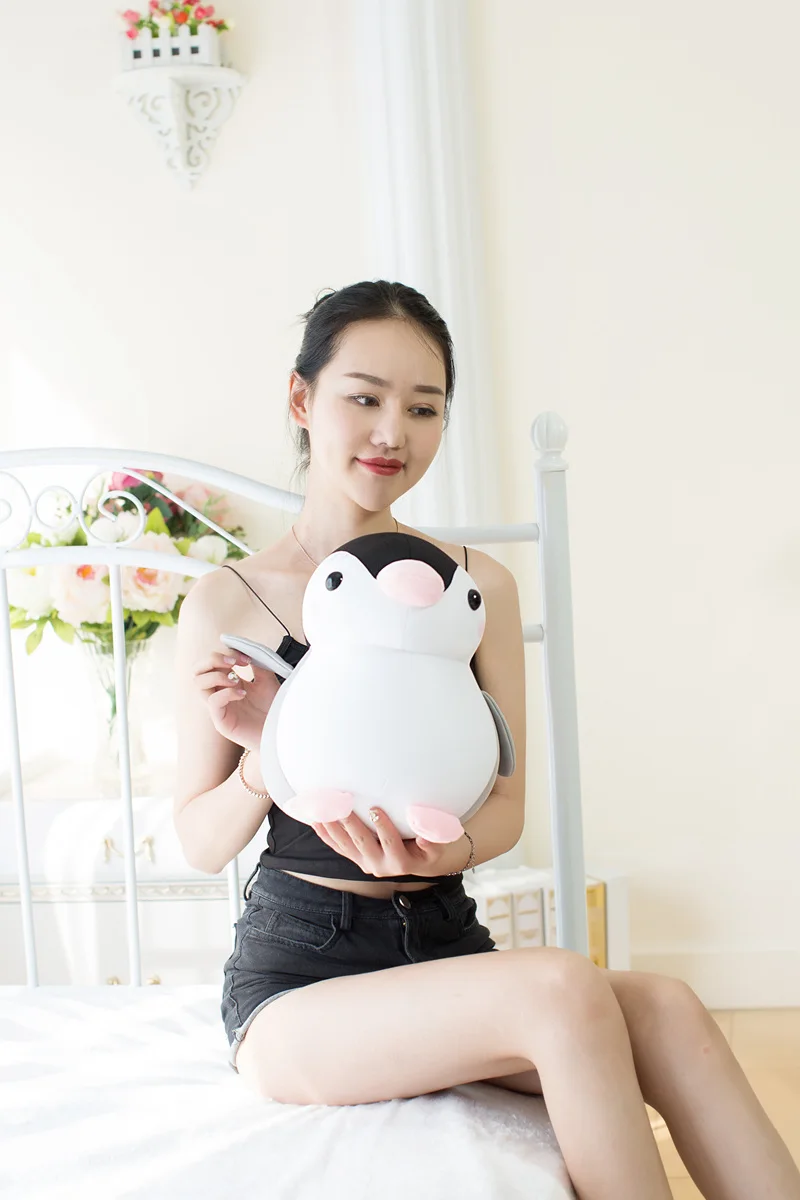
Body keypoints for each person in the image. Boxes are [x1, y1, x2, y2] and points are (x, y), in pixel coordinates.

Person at [173, 281, 800, 1200]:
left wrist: (445, 850)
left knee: (665, 1006)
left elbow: (504, 807)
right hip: (301, 976)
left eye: (424, 408)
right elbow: (197, 841)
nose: (393, 432)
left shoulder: (474, 590)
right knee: (559, 987)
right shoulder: (230, 599)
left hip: (445, 944)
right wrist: (267, 761)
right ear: (302, 399)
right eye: (365, 397)